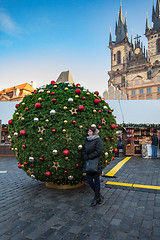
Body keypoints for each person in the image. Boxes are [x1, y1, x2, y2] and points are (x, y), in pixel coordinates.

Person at [82, 126, 103, 207]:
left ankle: (96, 198)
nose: (89, 133)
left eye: (90, 131)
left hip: (95, 163)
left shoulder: (98, 140)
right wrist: (84, 155)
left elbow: (99, 151)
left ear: (94, 132)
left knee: (96, 181)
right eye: (88, 132)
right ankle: (99, 196)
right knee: (90, 181)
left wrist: (90, 156)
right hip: (88, 163)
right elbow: (84, 149)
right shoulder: (87, 140)